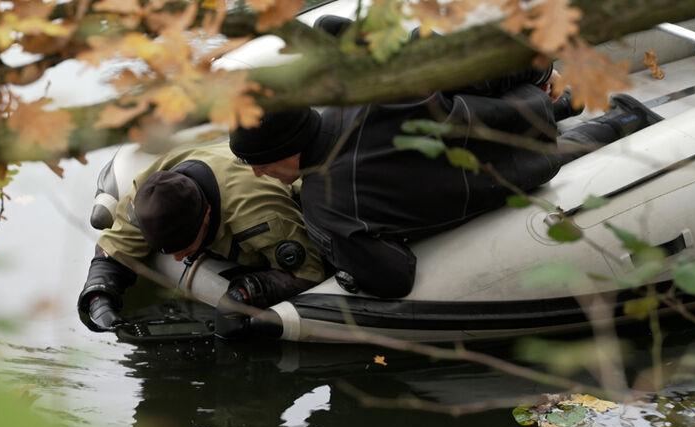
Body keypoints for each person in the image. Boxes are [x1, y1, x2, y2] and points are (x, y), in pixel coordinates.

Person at [228, 18, 661, 298]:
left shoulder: (328, 206)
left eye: (260, 163)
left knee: (544, 156)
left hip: (520, 169)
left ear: (287, 148)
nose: (260, 174)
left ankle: (622, 117)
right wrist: (540, 73)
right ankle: (568, 104)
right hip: (517, 114)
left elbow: (394, 279)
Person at [78, 140, 325, 334]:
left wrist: (247, 292)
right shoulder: (151, 191)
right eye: (168, 250)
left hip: (284, 192)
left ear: (207, 214)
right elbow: (116, 247)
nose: (177, 258)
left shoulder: (259, 215)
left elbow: (309, 273)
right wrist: (98, 297)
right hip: (216, 161)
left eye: (184, 247)